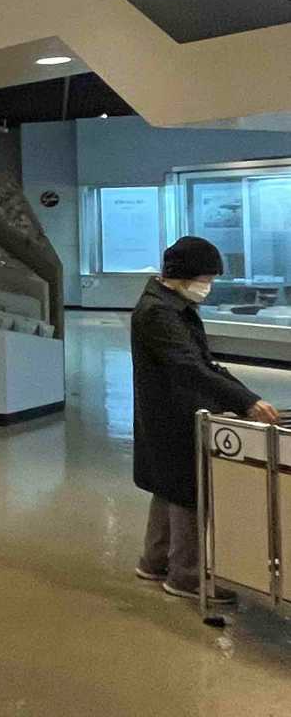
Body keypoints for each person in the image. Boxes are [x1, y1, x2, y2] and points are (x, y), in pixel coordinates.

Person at [131, 236, 279, 604]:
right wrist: (245, 402)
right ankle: (186, 575)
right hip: (177, 412)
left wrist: (245, 397)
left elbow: (203, 364)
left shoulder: (169, 305)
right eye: (205, 278)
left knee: (167, 483)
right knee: (188, 488)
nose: (208, 286)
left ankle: (154, 560)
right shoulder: (160, 313)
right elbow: (188, 367)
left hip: (169, 411)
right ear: (181, 275)